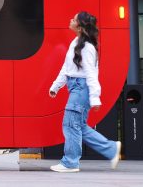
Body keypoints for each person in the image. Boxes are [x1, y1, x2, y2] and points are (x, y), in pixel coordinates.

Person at [48, 11, 122, 172]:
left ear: (80, 27)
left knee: (70, 124)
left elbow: (91, 73)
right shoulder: (76, 42)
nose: (70, 20)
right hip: (76, 87)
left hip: (81, 89)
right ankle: (111, 149)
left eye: (73, 19)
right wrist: (56, 86)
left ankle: (70, 163)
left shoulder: (87, 48)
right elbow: (66, 68)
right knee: (78, 125)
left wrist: (95, 97)